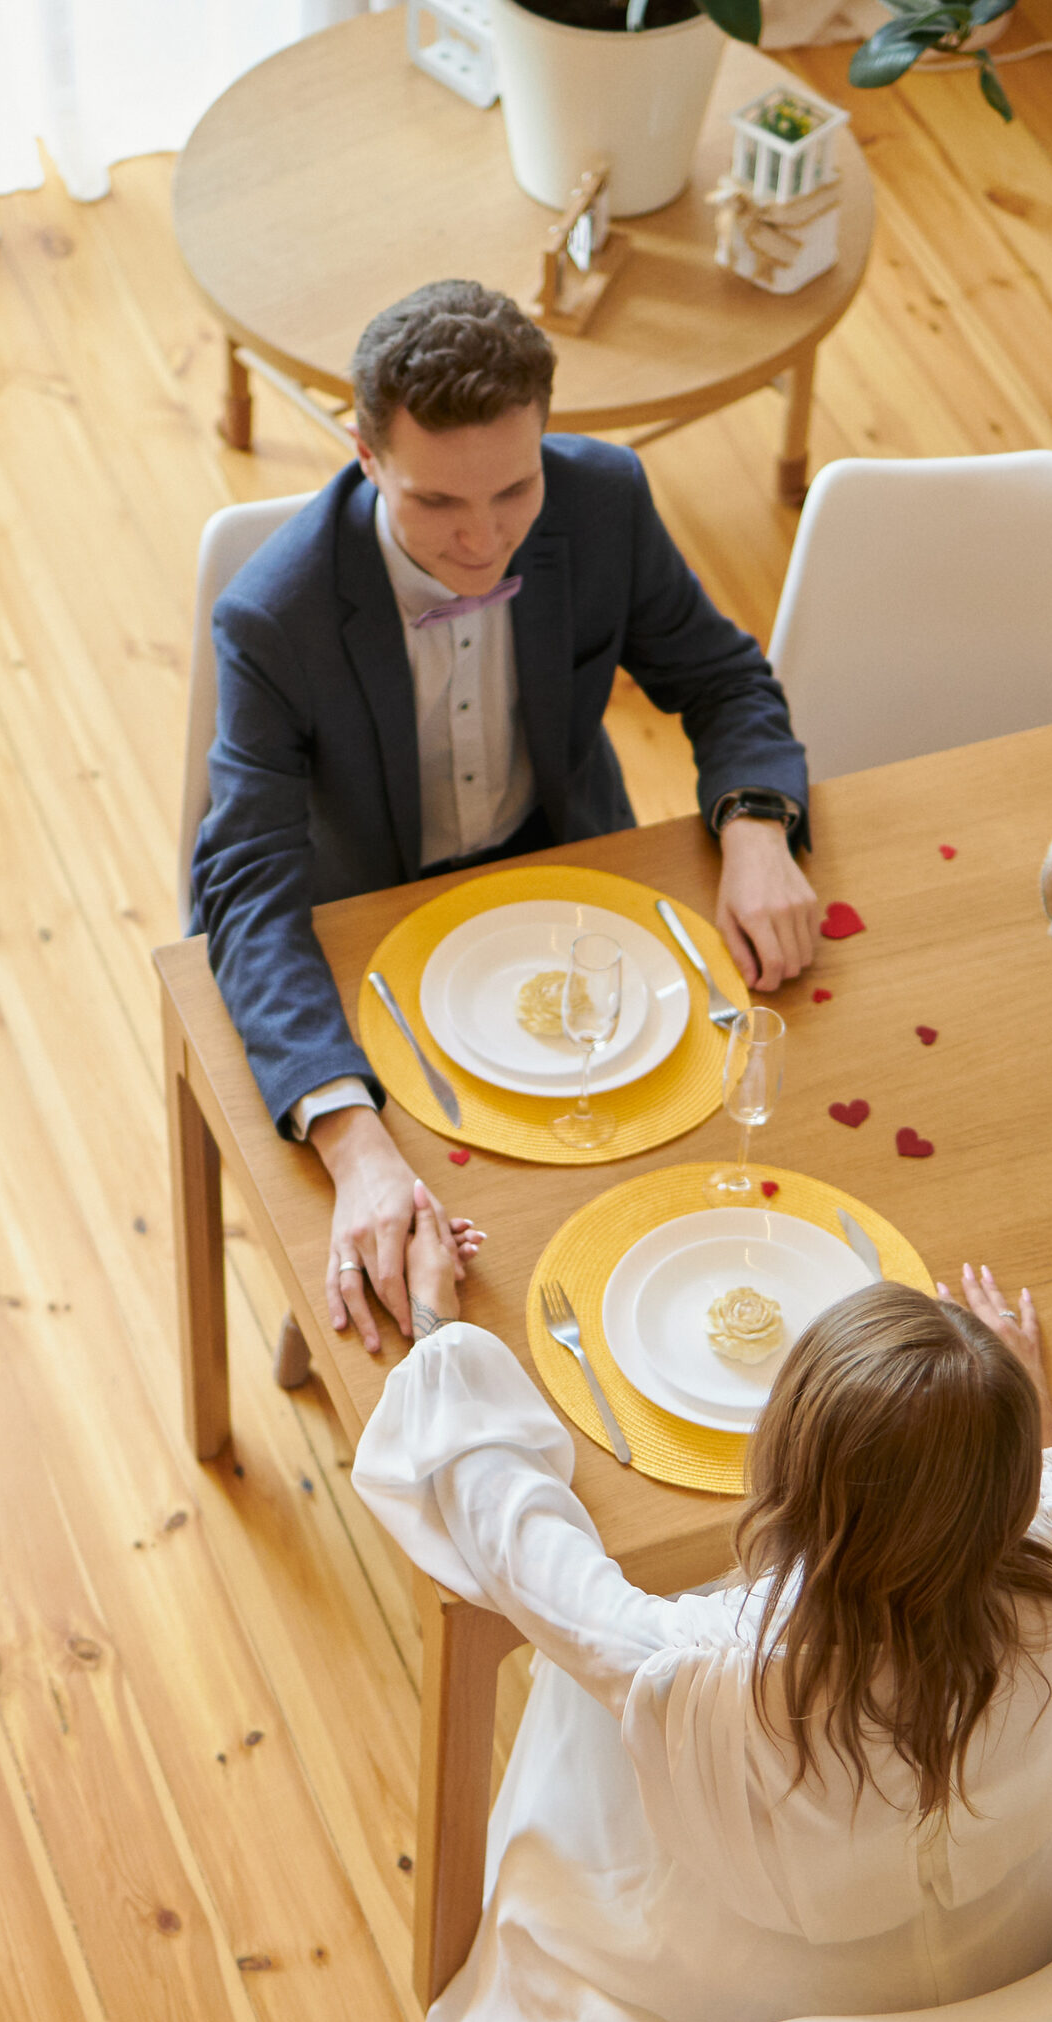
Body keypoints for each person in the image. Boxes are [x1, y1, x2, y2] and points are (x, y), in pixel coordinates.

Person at [352, 1198, 1052, 2022]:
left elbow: (514, 1528)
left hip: (779, 1998)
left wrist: (440, 1325)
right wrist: (1000, 1401)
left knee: (573, 1704)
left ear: (787, 1472)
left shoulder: (705, 1671)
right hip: (1010, 1932)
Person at [193, 279, 818, 1358]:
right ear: (365, 452)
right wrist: (355, 1145)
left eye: (514, 491)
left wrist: (758, 828)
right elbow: (245, 886)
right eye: (437, 503)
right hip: (374, 929)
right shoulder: (272, 616)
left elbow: (721, 676)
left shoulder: (605, 499)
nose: (483, 539)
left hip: (564, 881)